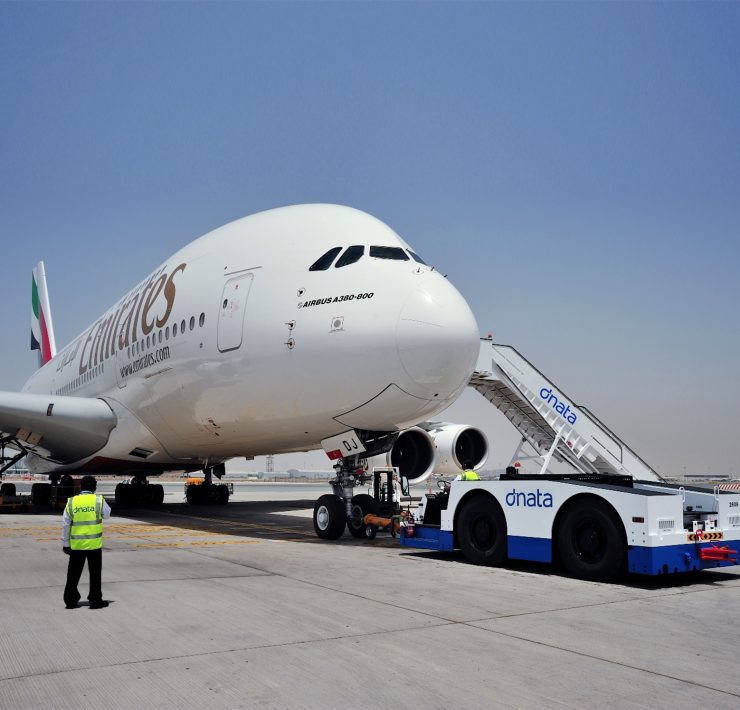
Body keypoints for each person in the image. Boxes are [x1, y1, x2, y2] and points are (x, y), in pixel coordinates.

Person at [62, 475, 111, 609]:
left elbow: (66, 524)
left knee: (72, 574)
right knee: (95, 574)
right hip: (94, 545)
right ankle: (95, 601)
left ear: (80, 487)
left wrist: (66, 543)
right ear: (94, 487)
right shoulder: (98, 500)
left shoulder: (72, 501)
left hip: (77, 545)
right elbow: (107, 514)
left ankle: (70, 601)